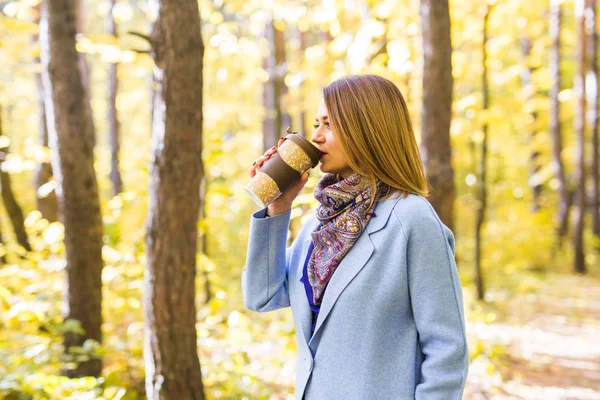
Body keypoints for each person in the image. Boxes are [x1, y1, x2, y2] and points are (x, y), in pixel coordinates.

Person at [242, 74, 468, 400]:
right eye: (317, 124)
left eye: (328, 125)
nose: (316, 137)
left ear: (366, 128)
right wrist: (278, 207)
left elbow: (447, 349)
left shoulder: (411, 221)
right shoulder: (318, 226)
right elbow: (261, 296)